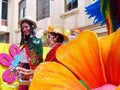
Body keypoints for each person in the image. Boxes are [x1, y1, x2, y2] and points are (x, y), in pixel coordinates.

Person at [15, 18, 43, 90]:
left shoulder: (36, 40)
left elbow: (37, 58)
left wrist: (32, 71)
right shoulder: (25, 42)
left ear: (31, 27)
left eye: (26, 27)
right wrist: (15, 66)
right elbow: (21, 57)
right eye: (23, 28)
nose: (24, 29)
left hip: (31, 71)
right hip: (24, 71)